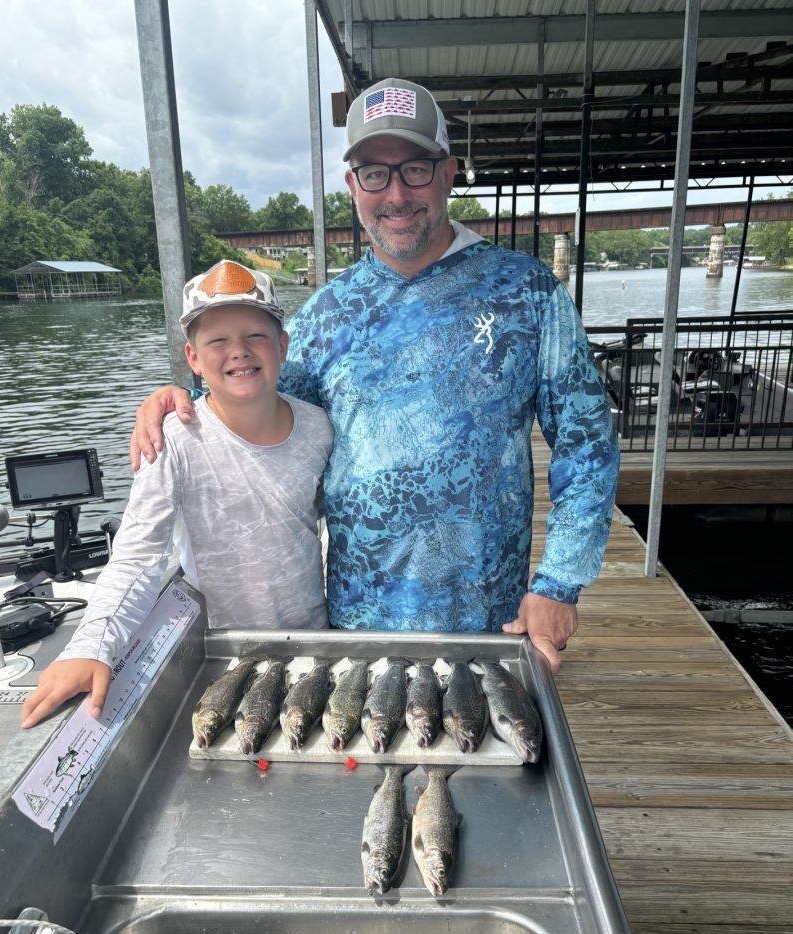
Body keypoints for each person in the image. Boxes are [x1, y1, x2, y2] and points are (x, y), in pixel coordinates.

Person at [130, 78, 619, 674]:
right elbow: (263, 424)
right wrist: (185, 401)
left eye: (414, 169)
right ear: (352, 185)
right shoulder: (323, 316)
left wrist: (560, 581)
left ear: (447, 172)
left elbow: (586, 443)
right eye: (374, 174)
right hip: (357, 630)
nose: (396, 194)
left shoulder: (528, 292)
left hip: (495, 627)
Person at [21, 261, 333, 728]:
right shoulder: (174, 441)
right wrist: (90, 646)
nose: (239, 352)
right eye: (217, 341)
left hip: (314, 644)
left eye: (256, 336)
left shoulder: (319, 427)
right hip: (221, 652)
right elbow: (138, 554)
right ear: (192, 358)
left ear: (283, 346)